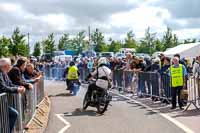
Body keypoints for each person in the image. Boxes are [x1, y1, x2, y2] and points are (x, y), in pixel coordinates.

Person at [0, 58, 25, 133]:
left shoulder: (4, 73)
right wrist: (17, 90)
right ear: (5, 66)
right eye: (9, 66)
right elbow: (3, 88)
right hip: (1, 101)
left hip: (3, 101)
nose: (10, 67)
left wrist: (18, 87)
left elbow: (10, 84)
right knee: (14, 114)